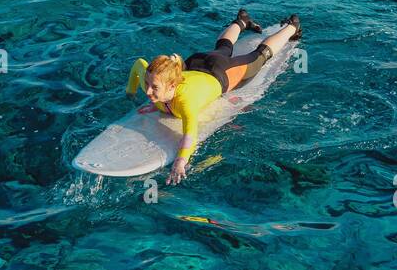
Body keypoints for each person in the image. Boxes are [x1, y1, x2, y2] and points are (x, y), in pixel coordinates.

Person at [127, 10, 302, 185]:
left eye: (154, 88)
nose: (148, 91)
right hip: (196, 62)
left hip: (220, 71)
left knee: (259, 56)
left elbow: (189, 136)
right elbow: (139, 65)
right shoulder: (155, 80)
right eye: (147, 84)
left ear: (172, 85)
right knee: (223, 48)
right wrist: (132, 93)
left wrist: (180, 162)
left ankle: (292, 27)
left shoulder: (186, 102)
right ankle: (242, 22)